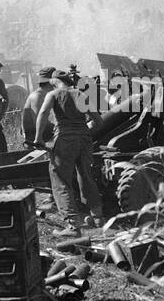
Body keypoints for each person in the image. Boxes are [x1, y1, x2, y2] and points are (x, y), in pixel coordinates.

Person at [30, 69, 104, 234]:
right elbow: (98, 120)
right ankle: (97, 216)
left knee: (60, 179)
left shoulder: (54, 94)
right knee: (85, 174)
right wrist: (83, 131)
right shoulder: (81, 95)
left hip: (64, 139)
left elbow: (42, 113)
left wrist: (38, 138)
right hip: (84, 140)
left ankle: (72, 225)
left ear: (54, 81)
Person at [22, 67, 57, 149]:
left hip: (43, 138)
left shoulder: (44, 95)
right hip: (36, 143)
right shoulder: (38, 96)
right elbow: (39, 121)